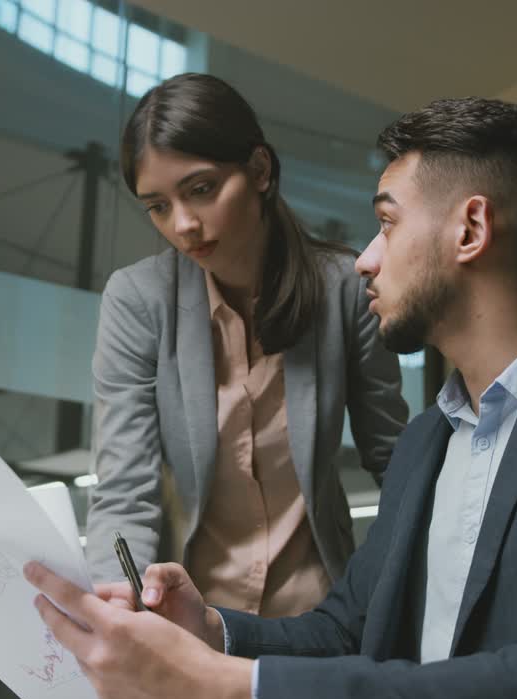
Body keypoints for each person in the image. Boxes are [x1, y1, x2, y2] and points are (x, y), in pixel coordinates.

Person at [23, 96, 517, 699]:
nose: (366, 261)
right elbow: (348, 629)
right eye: (158, 204)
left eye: (385, 224)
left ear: (470, 229)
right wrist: (211, 631)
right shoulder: (428, 442)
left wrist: (223, 690)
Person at [82, 73, 407, 616]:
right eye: (157, 206)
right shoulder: (137, 300)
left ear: (259, 169)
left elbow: (394, 460)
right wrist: (117, 599)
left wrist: (388, 589)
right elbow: (124, 484)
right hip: (193, 619)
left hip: (322, 617)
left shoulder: (344, 287)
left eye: (201, 189)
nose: (183, 224)